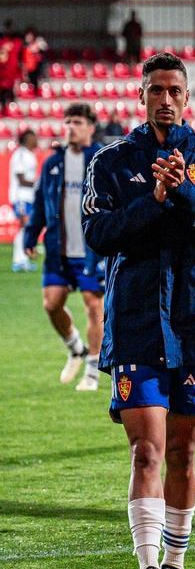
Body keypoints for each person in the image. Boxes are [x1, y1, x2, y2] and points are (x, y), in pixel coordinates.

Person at [82, 52, 195, 569]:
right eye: (156, 90)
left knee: (184, 450)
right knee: (146, 450)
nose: (166, 99)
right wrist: (153, 198)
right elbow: (100, 234)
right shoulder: (112, 162)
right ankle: (148, 567)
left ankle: (176, 564)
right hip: (135, 322)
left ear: (187, 96)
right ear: (142, 96)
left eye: (174, 90)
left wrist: (185, 191)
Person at [23, 103, 106, 391]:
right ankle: (75, 348)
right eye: (68, 121)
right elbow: (40, 203)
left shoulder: (101, 160)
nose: (71, 127)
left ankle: (93, 373)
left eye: (78, 122)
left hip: (91, 250)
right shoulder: (53, 162)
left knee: (94, 307)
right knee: (51, 304)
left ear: (91, 128)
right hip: (59, 248)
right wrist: (31, 236)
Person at [9, 129, 38, 272]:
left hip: (28, 197)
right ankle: (19, 261)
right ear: (27, 139)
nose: (36, 140)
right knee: (24, 227)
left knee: (25, 228)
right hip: (21, 196)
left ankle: (22, 259)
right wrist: (38, 183)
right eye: (33, 137)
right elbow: (21, 179)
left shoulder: (29, 154)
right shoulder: (20, 154)